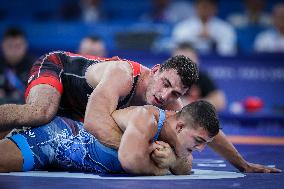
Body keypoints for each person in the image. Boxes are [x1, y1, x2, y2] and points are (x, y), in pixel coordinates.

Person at [0, 51, 280, 173]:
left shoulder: (168, 101)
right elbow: (96, 124)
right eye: (165, 83)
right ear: (155, 70)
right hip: (58, 69)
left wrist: (242, 163)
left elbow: (204, 128)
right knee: (41, 112)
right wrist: (144, 154)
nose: (164, 95)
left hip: (76, 110)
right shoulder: (124, 75)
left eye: (175, 94)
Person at [0, 100, 220, 175]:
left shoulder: (175, 136)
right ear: (180, 127)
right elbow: (131, 160)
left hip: (64, 149)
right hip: (56, 138)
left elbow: (185, 164)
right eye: (199, 141)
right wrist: (163, 168)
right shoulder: (146, 118)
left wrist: (173, 161)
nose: (200, 149)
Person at [173, 42, 226, 111]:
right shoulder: (167, 79)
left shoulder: (202, 77)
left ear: (196, 60)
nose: (184, 65)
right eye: (179, 60)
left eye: (188, 59)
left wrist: (191, 104)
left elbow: (220, 101)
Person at [172, 0, 237, 56]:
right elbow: (178, 48)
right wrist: (196, 38)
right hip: (190, 64)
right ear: (196, 7)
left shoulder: (225, 28)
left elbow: (228, 51)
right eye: (203, 6)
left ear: (215, 8)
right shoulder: (183, 27)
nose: (205, 9)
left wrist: (213, 38)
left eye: (209, 6)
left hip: (218, 64)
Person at [0, 27, 34, 104]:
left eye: (18, 46)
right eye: (10, 46)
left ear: (25, 45)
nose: (13, 51)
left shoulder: (36, 66)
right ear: (2, 46)